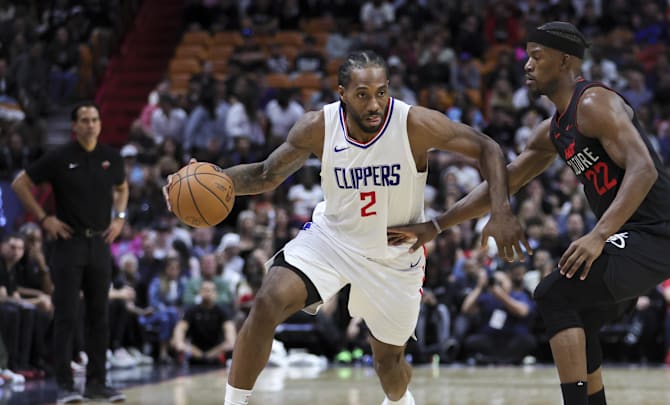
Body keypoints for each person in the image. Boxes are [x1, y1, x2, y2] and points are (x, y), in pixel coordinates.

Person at [164, 50, 527, 405]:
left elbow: (487, 148)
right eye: (363, 95)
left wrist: (502, 210)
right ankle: (234, 401)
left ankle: (401, 401)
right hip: (332, 239)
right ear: (342, 94)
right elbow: (265, 174)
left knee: (389, 366)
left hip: (395, 253)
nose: (374, 104)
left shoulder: (413, 124)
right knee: (267, 301)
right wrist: (208, 181)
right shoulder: (317, 127)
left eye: (382, 92)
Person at [389, 22, 670, 405]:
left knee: (554, 293)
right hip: (629, 235)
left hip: (658, 232)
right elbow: (505, 182)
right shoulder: (553, 130)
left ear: (564, 60)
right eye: (527, 57)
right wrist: (436, 225)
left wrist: (598, 234)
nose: (527, 66)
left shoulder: (594, 103)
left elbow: (644, 169)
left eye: (536, 56)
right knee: (583, 318)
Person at [11, 101, 129, 403]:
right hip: (69, 243)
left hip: (100, 243)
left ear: (100, 124)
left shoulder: (111, 158)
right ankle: (64, 385)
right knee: (65, 315)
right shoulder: (59, 157)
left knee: (99, 316)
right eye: (84, 120)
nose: (91, 124)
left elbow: (123, 187)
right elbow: (20, 183)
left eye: (95, 119)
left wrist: (120, 218)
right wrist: (43, 218)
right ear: (75, 126)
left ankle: (97, 383)